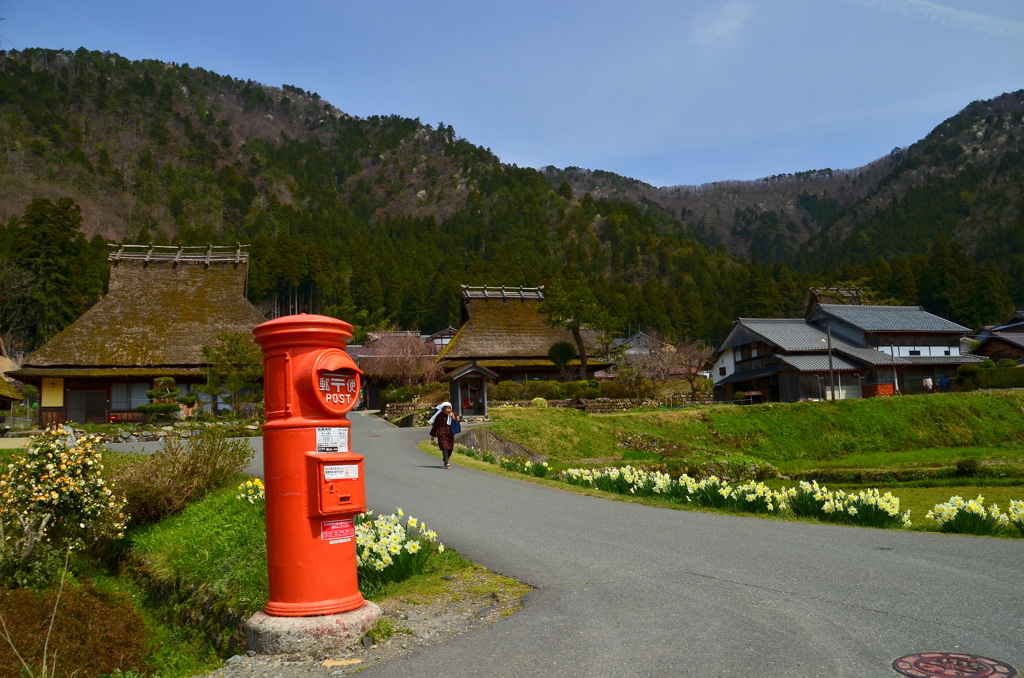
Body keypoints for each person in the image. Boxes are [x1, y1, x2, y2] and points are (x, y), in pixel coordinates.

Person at [429, 401, 460, 469]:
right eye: (448, 408)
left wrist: (453, 417)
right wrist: (433, 435)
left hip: (450, 434)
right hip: (441, 434)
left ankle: (445, 459)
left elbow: (455, 421)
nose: (449, 410)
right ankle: (446, 463)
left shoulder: (452, 414)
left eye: (450, 408)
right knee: (445, 447)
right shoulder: (439, 416)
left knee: (450, 449)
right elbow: (435, 426)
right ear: (443, 409)